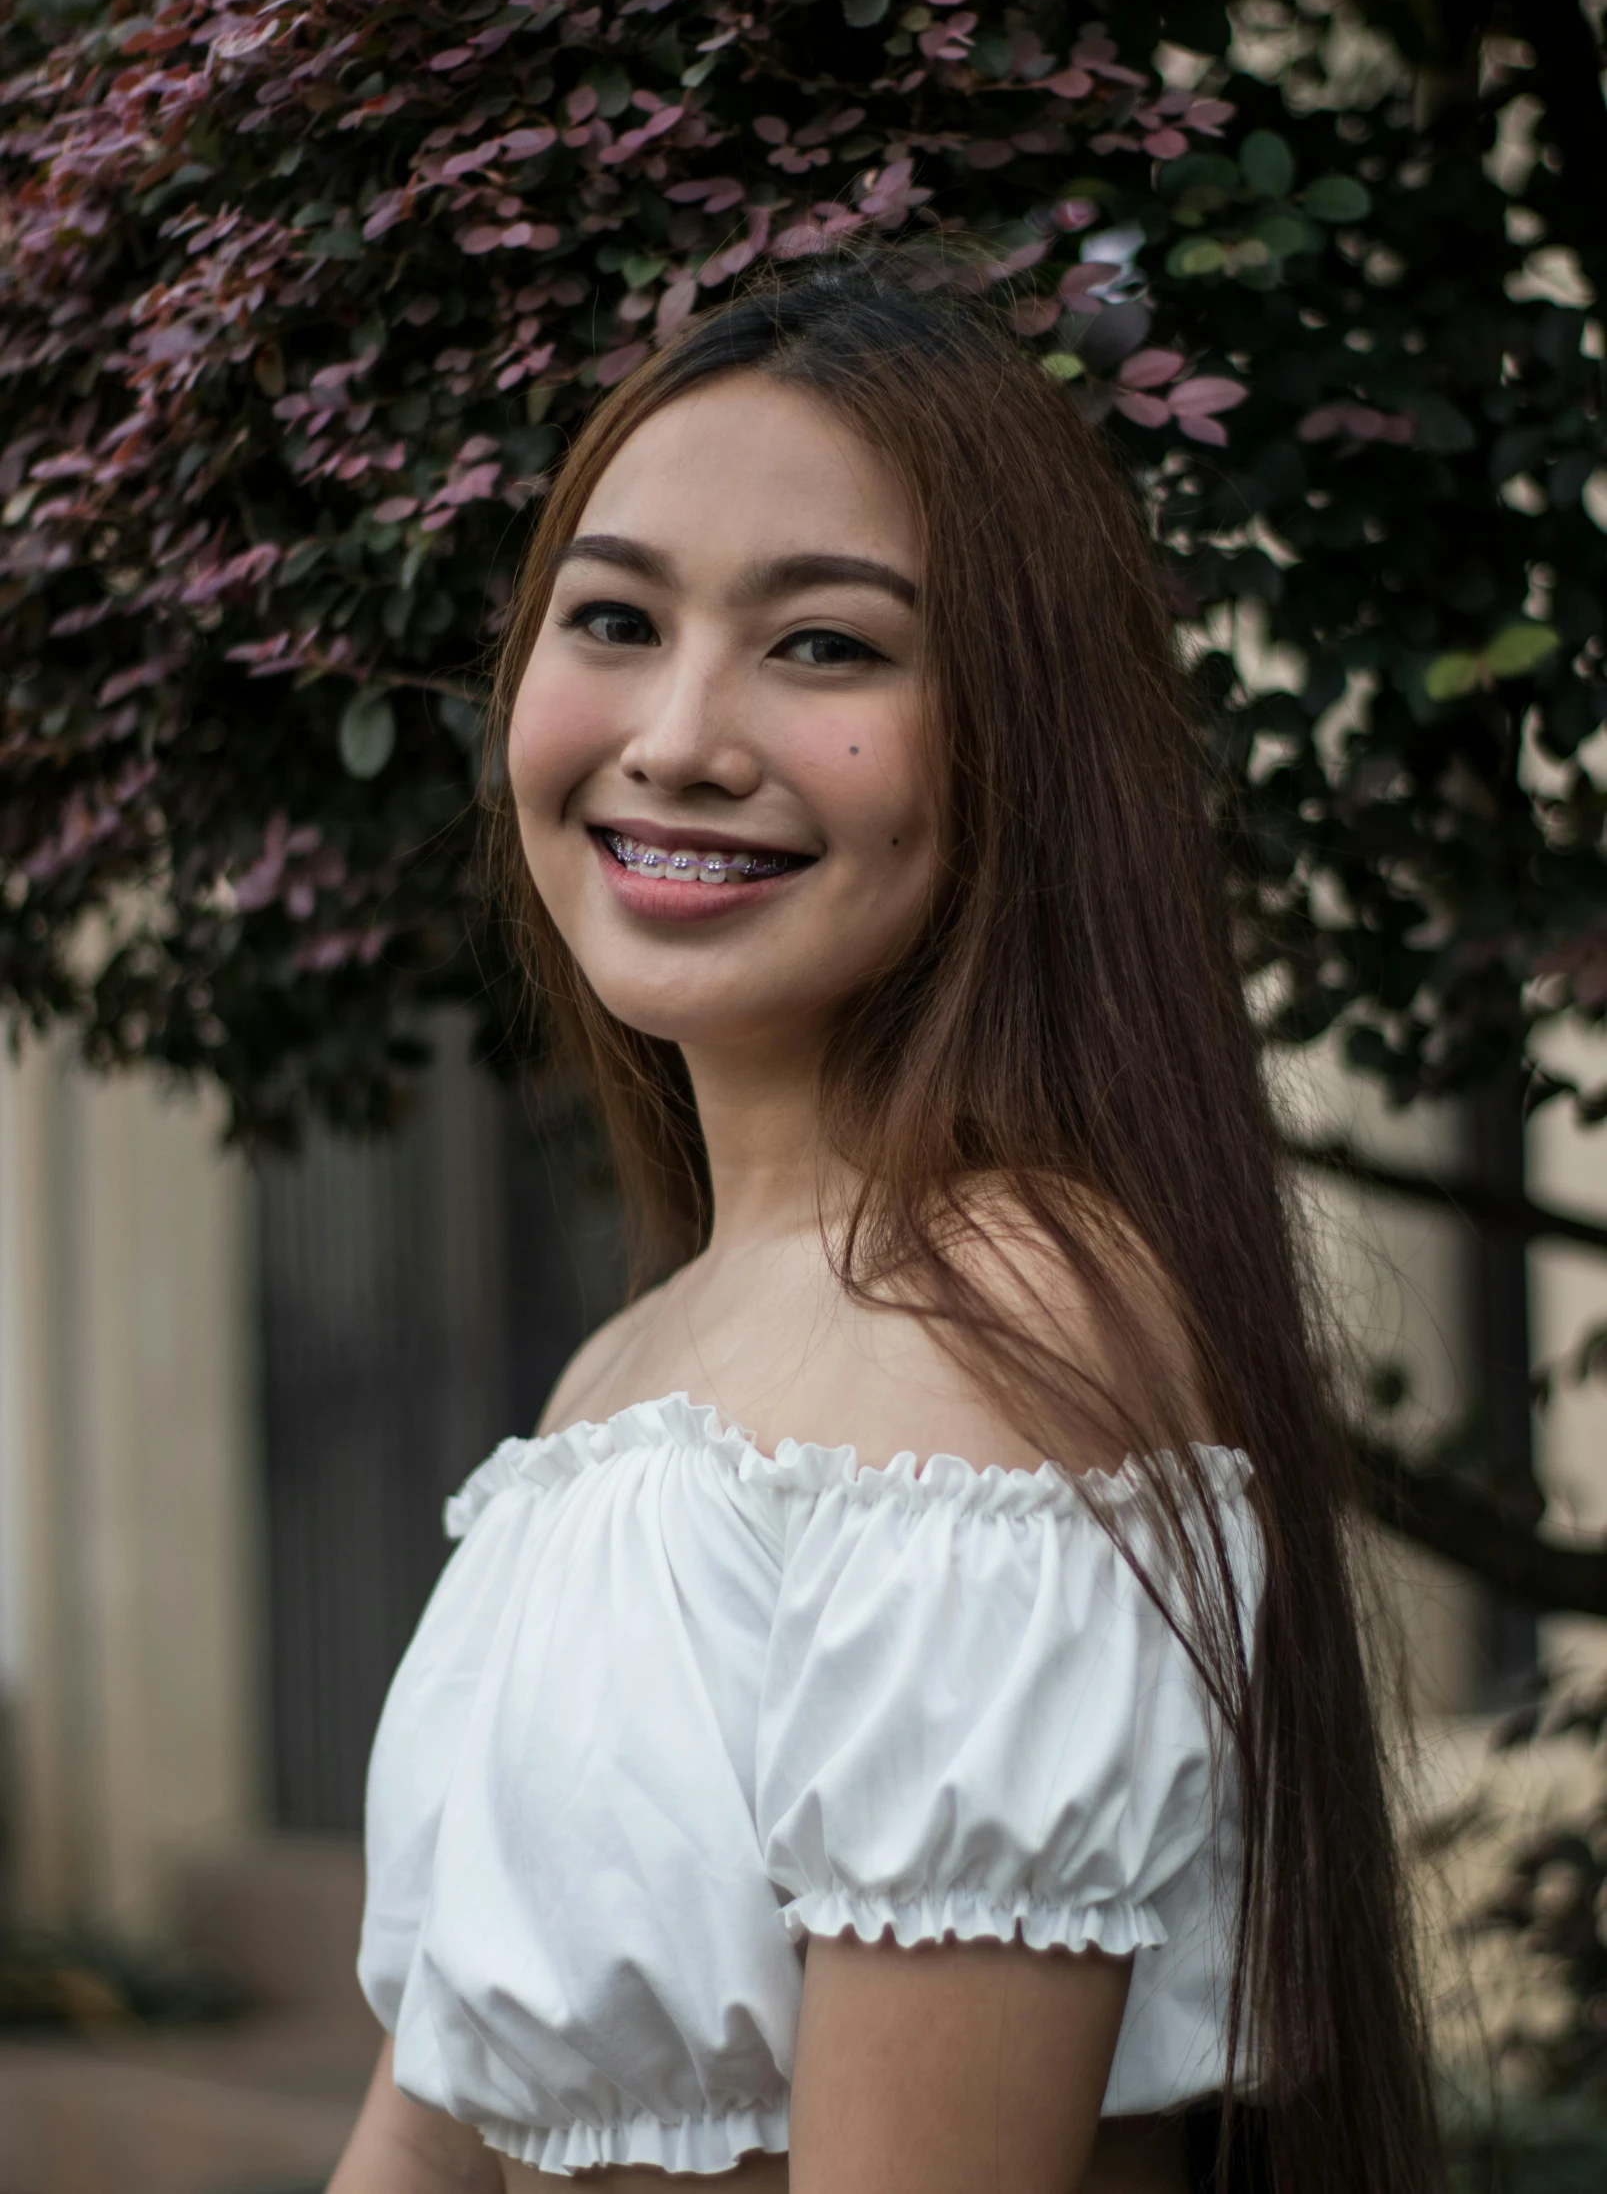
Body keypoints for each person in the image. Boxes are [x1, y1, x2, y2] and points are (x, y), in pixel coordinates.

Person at [329, 258, 1443, 2194]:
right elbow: (429, 2135)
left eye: (825, 647)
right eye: (612, 618)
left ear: (1016, 739)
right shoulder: (632, 1364)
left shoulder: (1003, 1316)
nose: (675, 735)